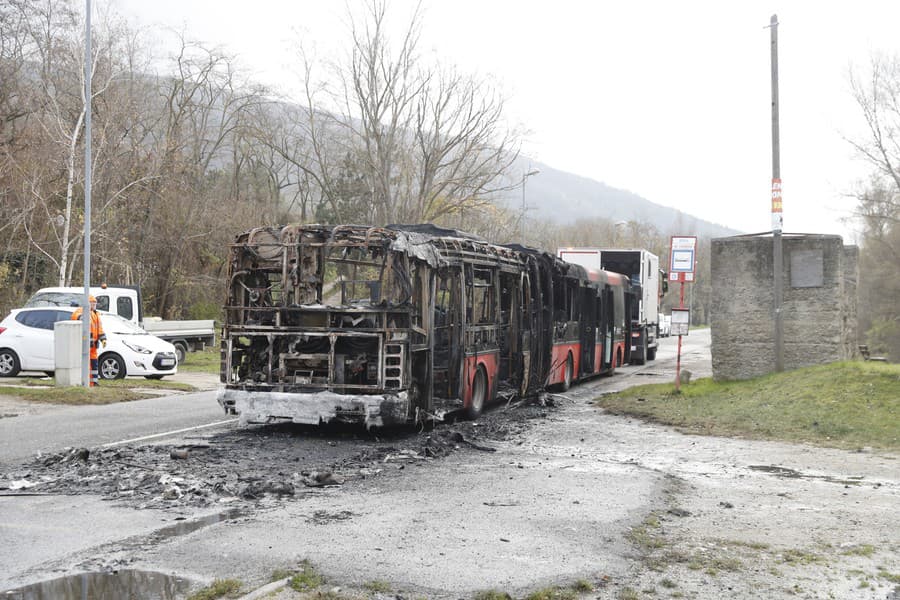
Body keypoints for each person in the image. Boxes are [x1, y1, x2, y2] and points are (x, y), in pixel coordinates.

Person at [71, 296, 107, 386]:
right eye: (92, 303)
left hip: (94, 343)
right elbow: (75, 316)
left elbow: (100, 328)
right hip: (86, 342)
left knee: (94, 363)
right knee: (86, 363)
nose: (94, 305)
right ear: (88, 303)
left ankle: (94, 381)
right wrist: (81, 317)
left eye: (95, 303)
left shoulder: (96, 314)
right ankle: (86, 382)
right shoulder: (81, 310)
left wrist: (103, 339)